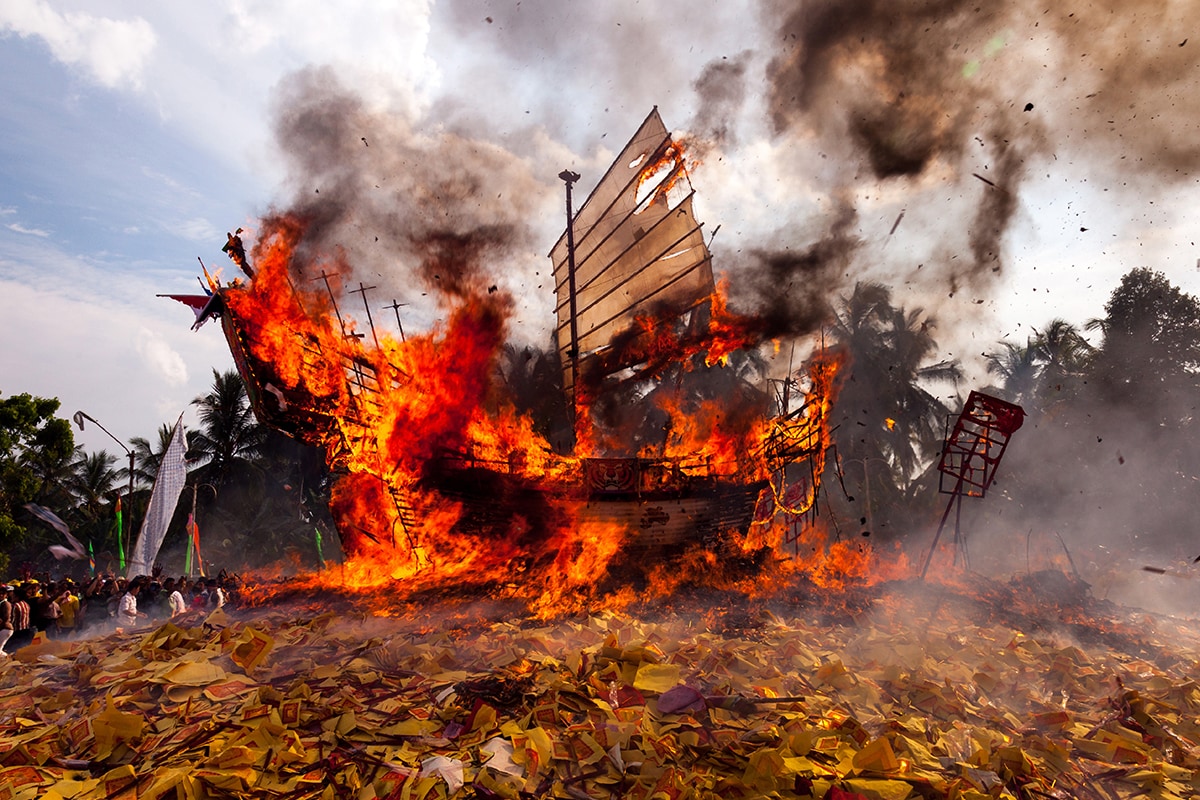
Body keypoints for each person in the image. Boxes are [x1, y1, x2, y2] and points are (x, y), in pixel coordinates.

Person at [0, 586, 13, 656]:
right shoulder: (2, 603)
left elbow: (6, 618)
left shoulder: (5, 604)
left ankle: (7, 658)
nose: (1, 595)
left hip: (5, 628)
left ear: (6, 595)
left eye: (3, 594)